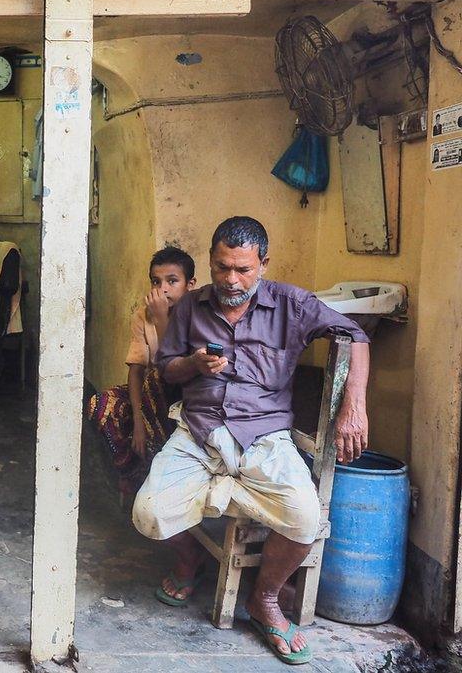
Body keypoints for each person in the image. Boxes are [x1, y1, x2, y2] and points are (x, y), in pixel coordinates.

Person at [133, 216, 370, 665]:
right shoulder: (190, 306)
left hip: (264, 435)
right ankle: (190, 562)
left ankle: (264, 600)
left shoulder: (292, 304)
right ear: (211, 261)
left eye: (243, 269)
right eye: (222, 267)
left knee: (305, 519)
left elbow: (354, 335)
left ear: (263, 263)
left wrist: (353, 406)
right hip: (199, 430)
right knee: (148, 513)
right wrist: (194, 365)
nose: (231, 279)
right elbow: (165, 369)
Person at [87, 247, 196, 498]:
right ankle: (131, 472)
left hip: (186, 396)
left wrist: (161, 320)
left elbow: (173, 366)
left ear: (189, 285)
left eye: (172, 281)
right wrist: (137, 421)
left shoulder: (197, 315)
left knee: (158, 375)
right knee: (101, 404)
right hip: (152, 395)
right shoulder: (142, 316)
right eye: (156, 282)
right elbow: (136, 370)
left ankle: (155, 478)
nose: (163, 289)